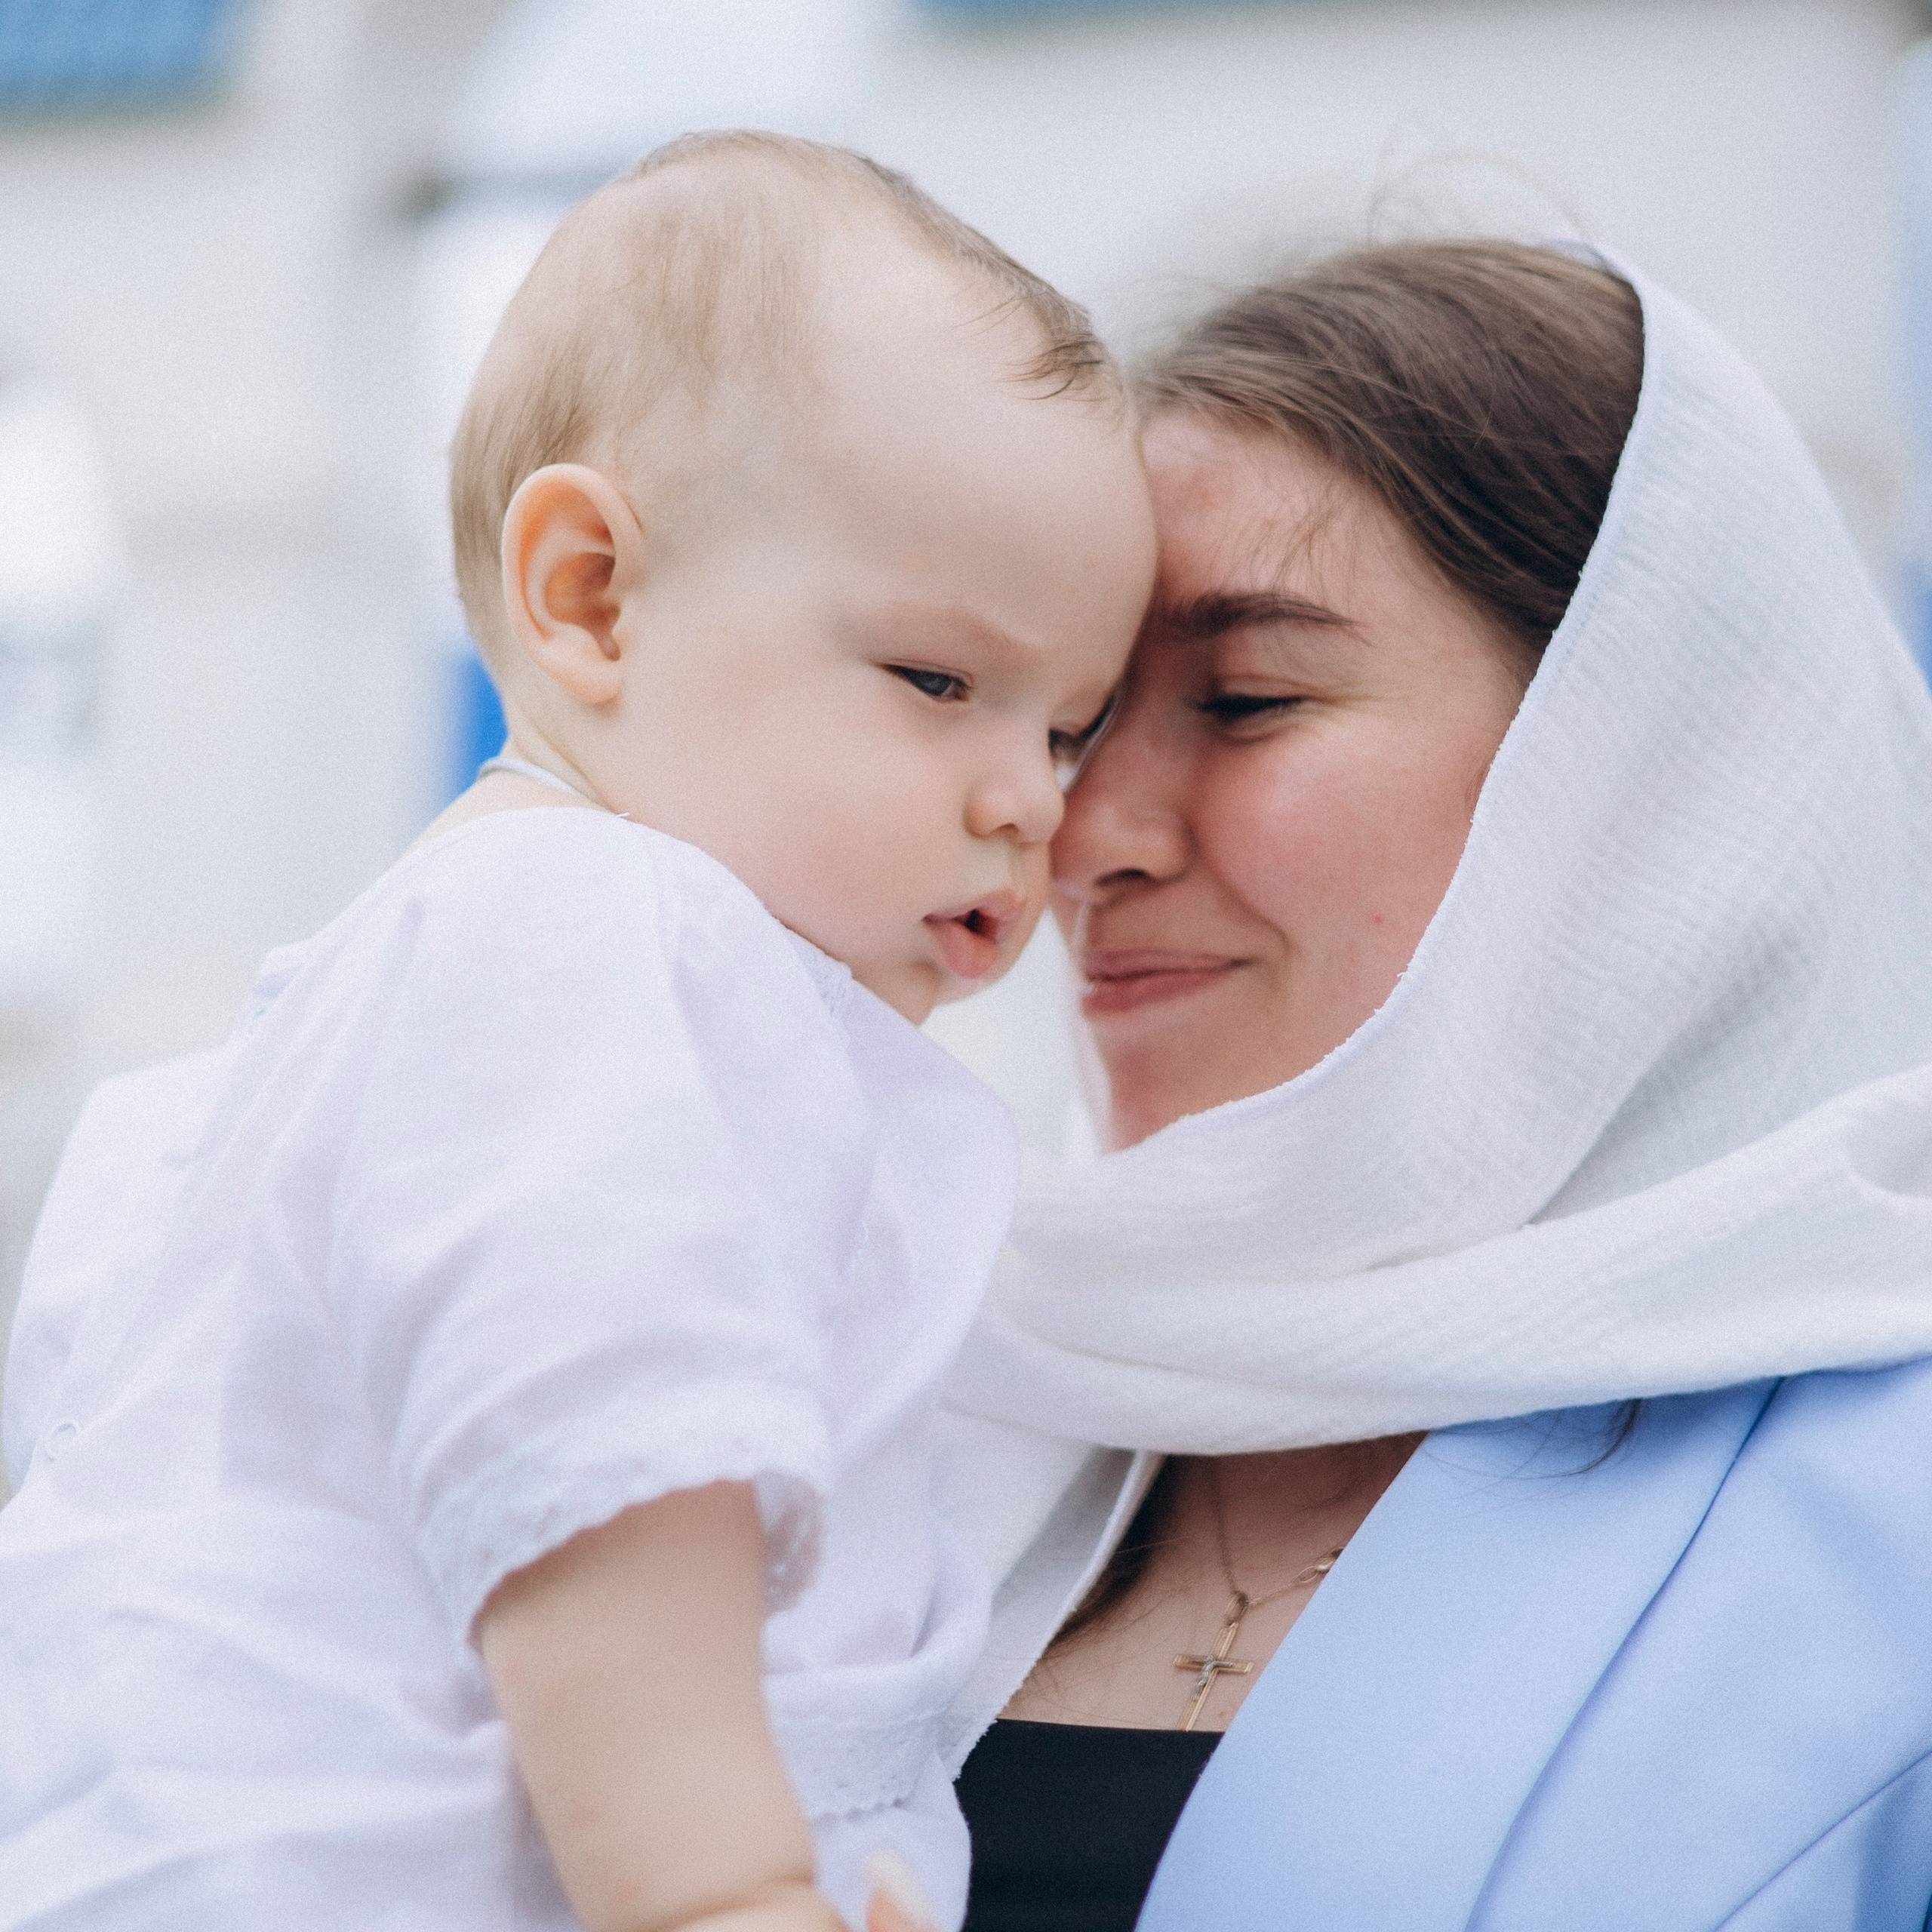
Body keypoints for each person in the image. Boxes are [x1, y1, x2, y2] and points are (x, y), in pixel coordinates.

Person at [0, 133, 1153, 1932]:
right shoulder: (599, 935)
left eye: (1070, 727)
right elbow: (597, 1441)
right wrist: (720, 1887)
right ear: (588, 595)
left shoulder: (284, 1054)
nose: (1027, 800)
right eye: (938, 680)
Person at [938, 241, 1932, 1929]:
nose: (1079, 839)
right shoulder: (929, 1384)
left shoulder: (1885, 1498)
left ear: (1634, 770)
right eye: (1072, 723)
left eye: (1244, 699)